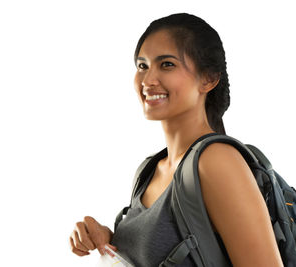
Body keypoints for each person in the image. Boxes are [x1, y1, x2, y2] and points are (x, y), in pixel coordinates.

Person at [70, 13, 284, 267]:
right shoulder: (149, 170)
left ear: (208, 79)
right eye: (142, 66)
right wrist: (111, 243)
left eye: (167, 64)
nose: (148, 80)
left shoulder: (216, 161)